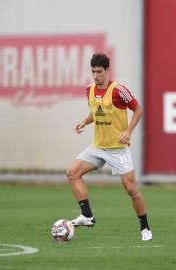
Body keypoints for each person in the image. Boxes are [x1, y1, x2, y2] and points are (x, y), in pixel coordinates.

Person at [66, 53, 152, 241]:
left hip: (118, 148)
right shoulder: (89, 90)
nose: (95, 76)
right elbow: (96, 113)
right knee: (72, 173)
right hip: (98, 146)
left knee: (130, 189)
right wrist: (84, 122)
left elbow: (138, 109)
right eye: (93, 71)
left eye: (99, 72)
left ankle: (145, 227)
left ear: (107, 71)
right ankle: (87, 216)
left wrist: (128, 131)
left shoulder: (118, 90)